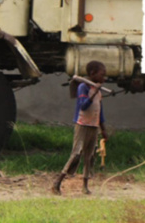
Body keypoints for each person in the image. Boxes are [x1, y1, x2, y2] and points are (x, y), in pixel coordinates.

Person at [51, 61, 108, 195]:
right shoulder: (84, 87)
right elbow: (83, 106)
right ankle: (58, 182)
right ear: (92, 74)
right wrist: (93, 93)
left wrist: (103, 129)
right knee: (76, 153)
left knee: (89, 156)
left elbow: (100, 112)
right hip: (82, 125)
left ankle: (85, 185)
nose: (104, 78)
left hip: (93, 126)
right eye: (102, 75)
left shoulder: (98, 91)